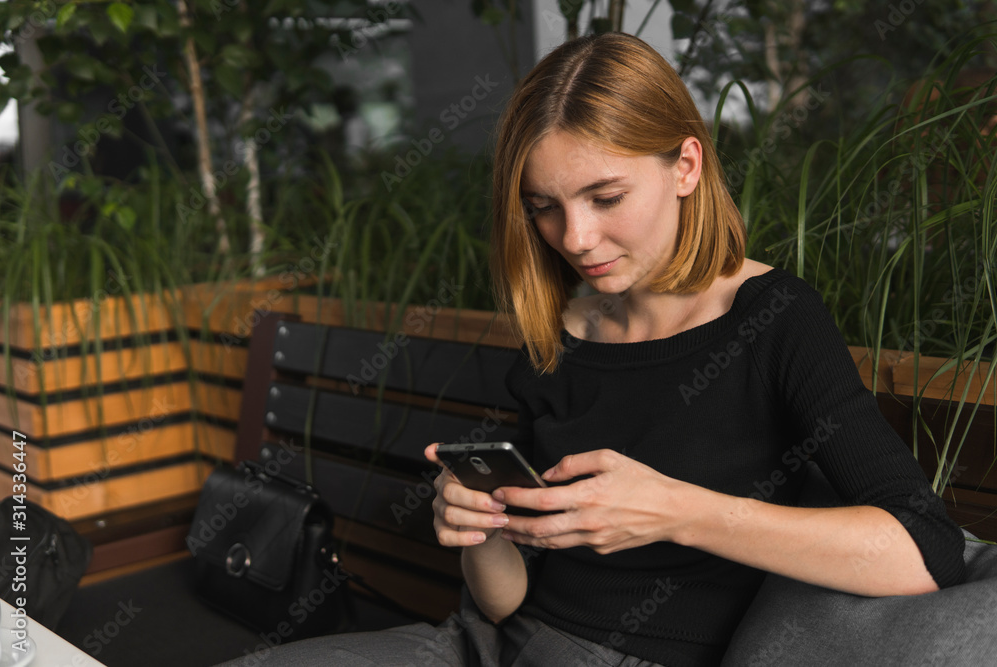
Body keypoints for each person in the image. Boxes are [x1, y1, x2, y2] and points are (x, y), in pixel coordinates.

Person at [217, 32, 966, 667]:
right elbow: (503, 596)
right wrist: (477, 528)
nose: (573, 239)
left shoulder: (773, 318)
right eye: (544, 208)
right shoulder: (558, 331)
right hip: (490, 643)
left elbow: (923, 550)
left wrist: (674, 510)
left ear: (686, 167)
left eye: (605, 198)